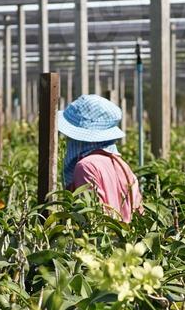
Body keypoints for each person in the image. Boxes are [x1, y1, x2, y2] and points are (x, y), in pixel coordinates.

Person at [59, 94, 143, 222]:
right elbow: (139, 213)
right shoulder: (121, 164)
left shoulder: (85, 166)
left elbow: (91, 217)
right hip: (125, 240)